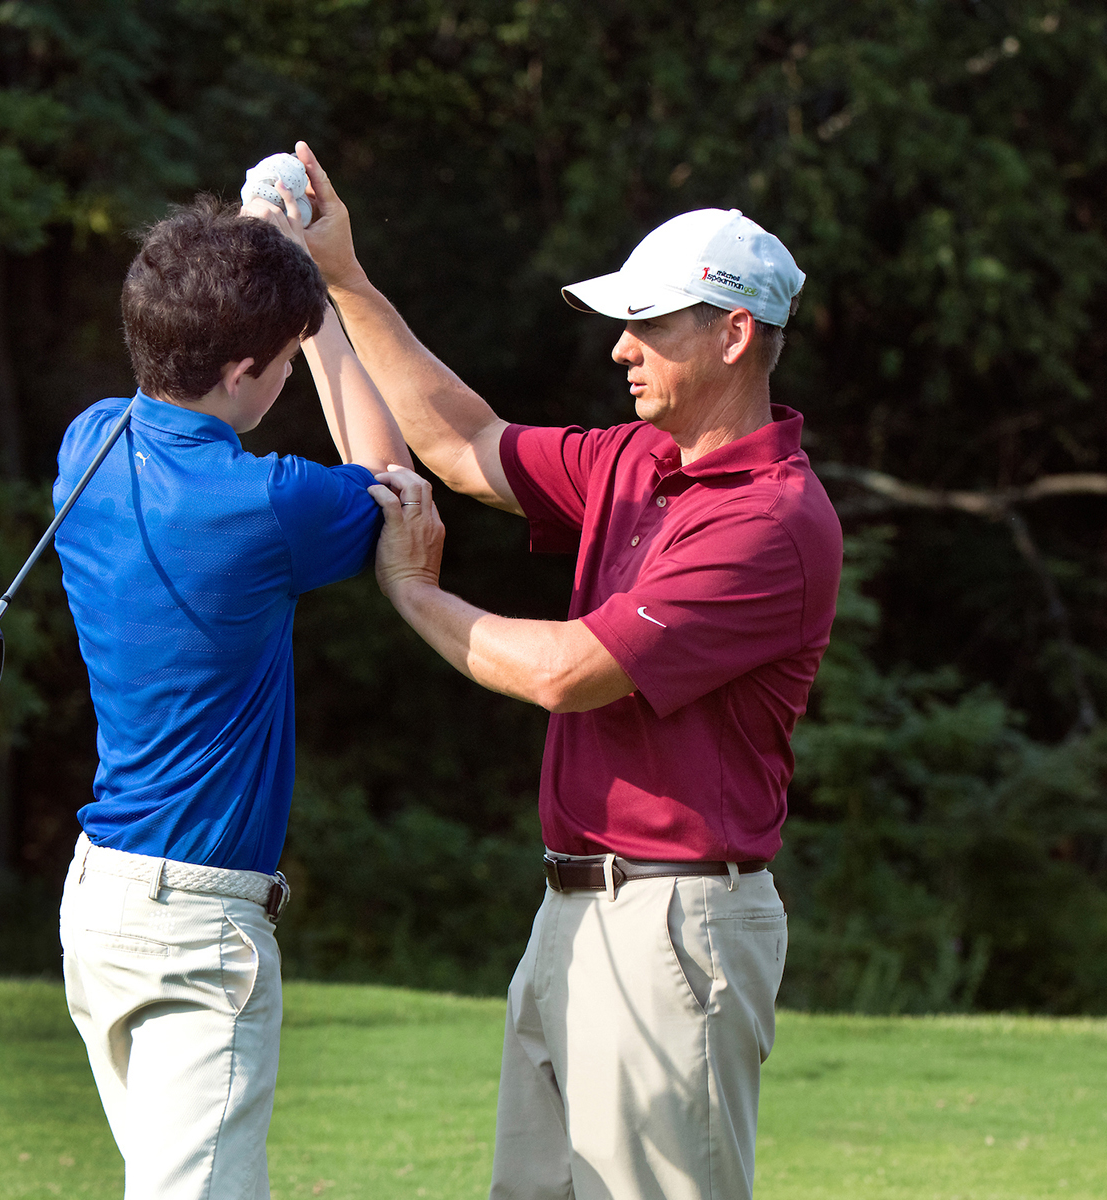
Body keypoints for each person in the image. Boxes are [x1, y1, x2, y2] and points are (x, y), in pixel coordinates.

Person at [294, 142, 843, 1200]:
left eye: (650, 324)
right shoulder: (640, 460)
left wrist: (414, 592)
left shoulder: (770, 522)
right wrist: (345, 279)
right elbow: (466, 442)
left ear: (734, 334)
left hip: (673, 924)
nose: (621, 349)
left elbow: (568, 671)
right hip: (574, 910)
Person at [53, 188, 410, 1200]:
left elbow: (195, 316)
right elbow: (396, 482)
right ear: (245, 371)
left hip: (100, 900)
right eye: (285, 361)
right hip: (195, 930)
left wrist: (259, 254)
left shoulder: (87, 444)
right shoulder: (268, 504)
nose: (292, 376)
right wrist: (321, 300)